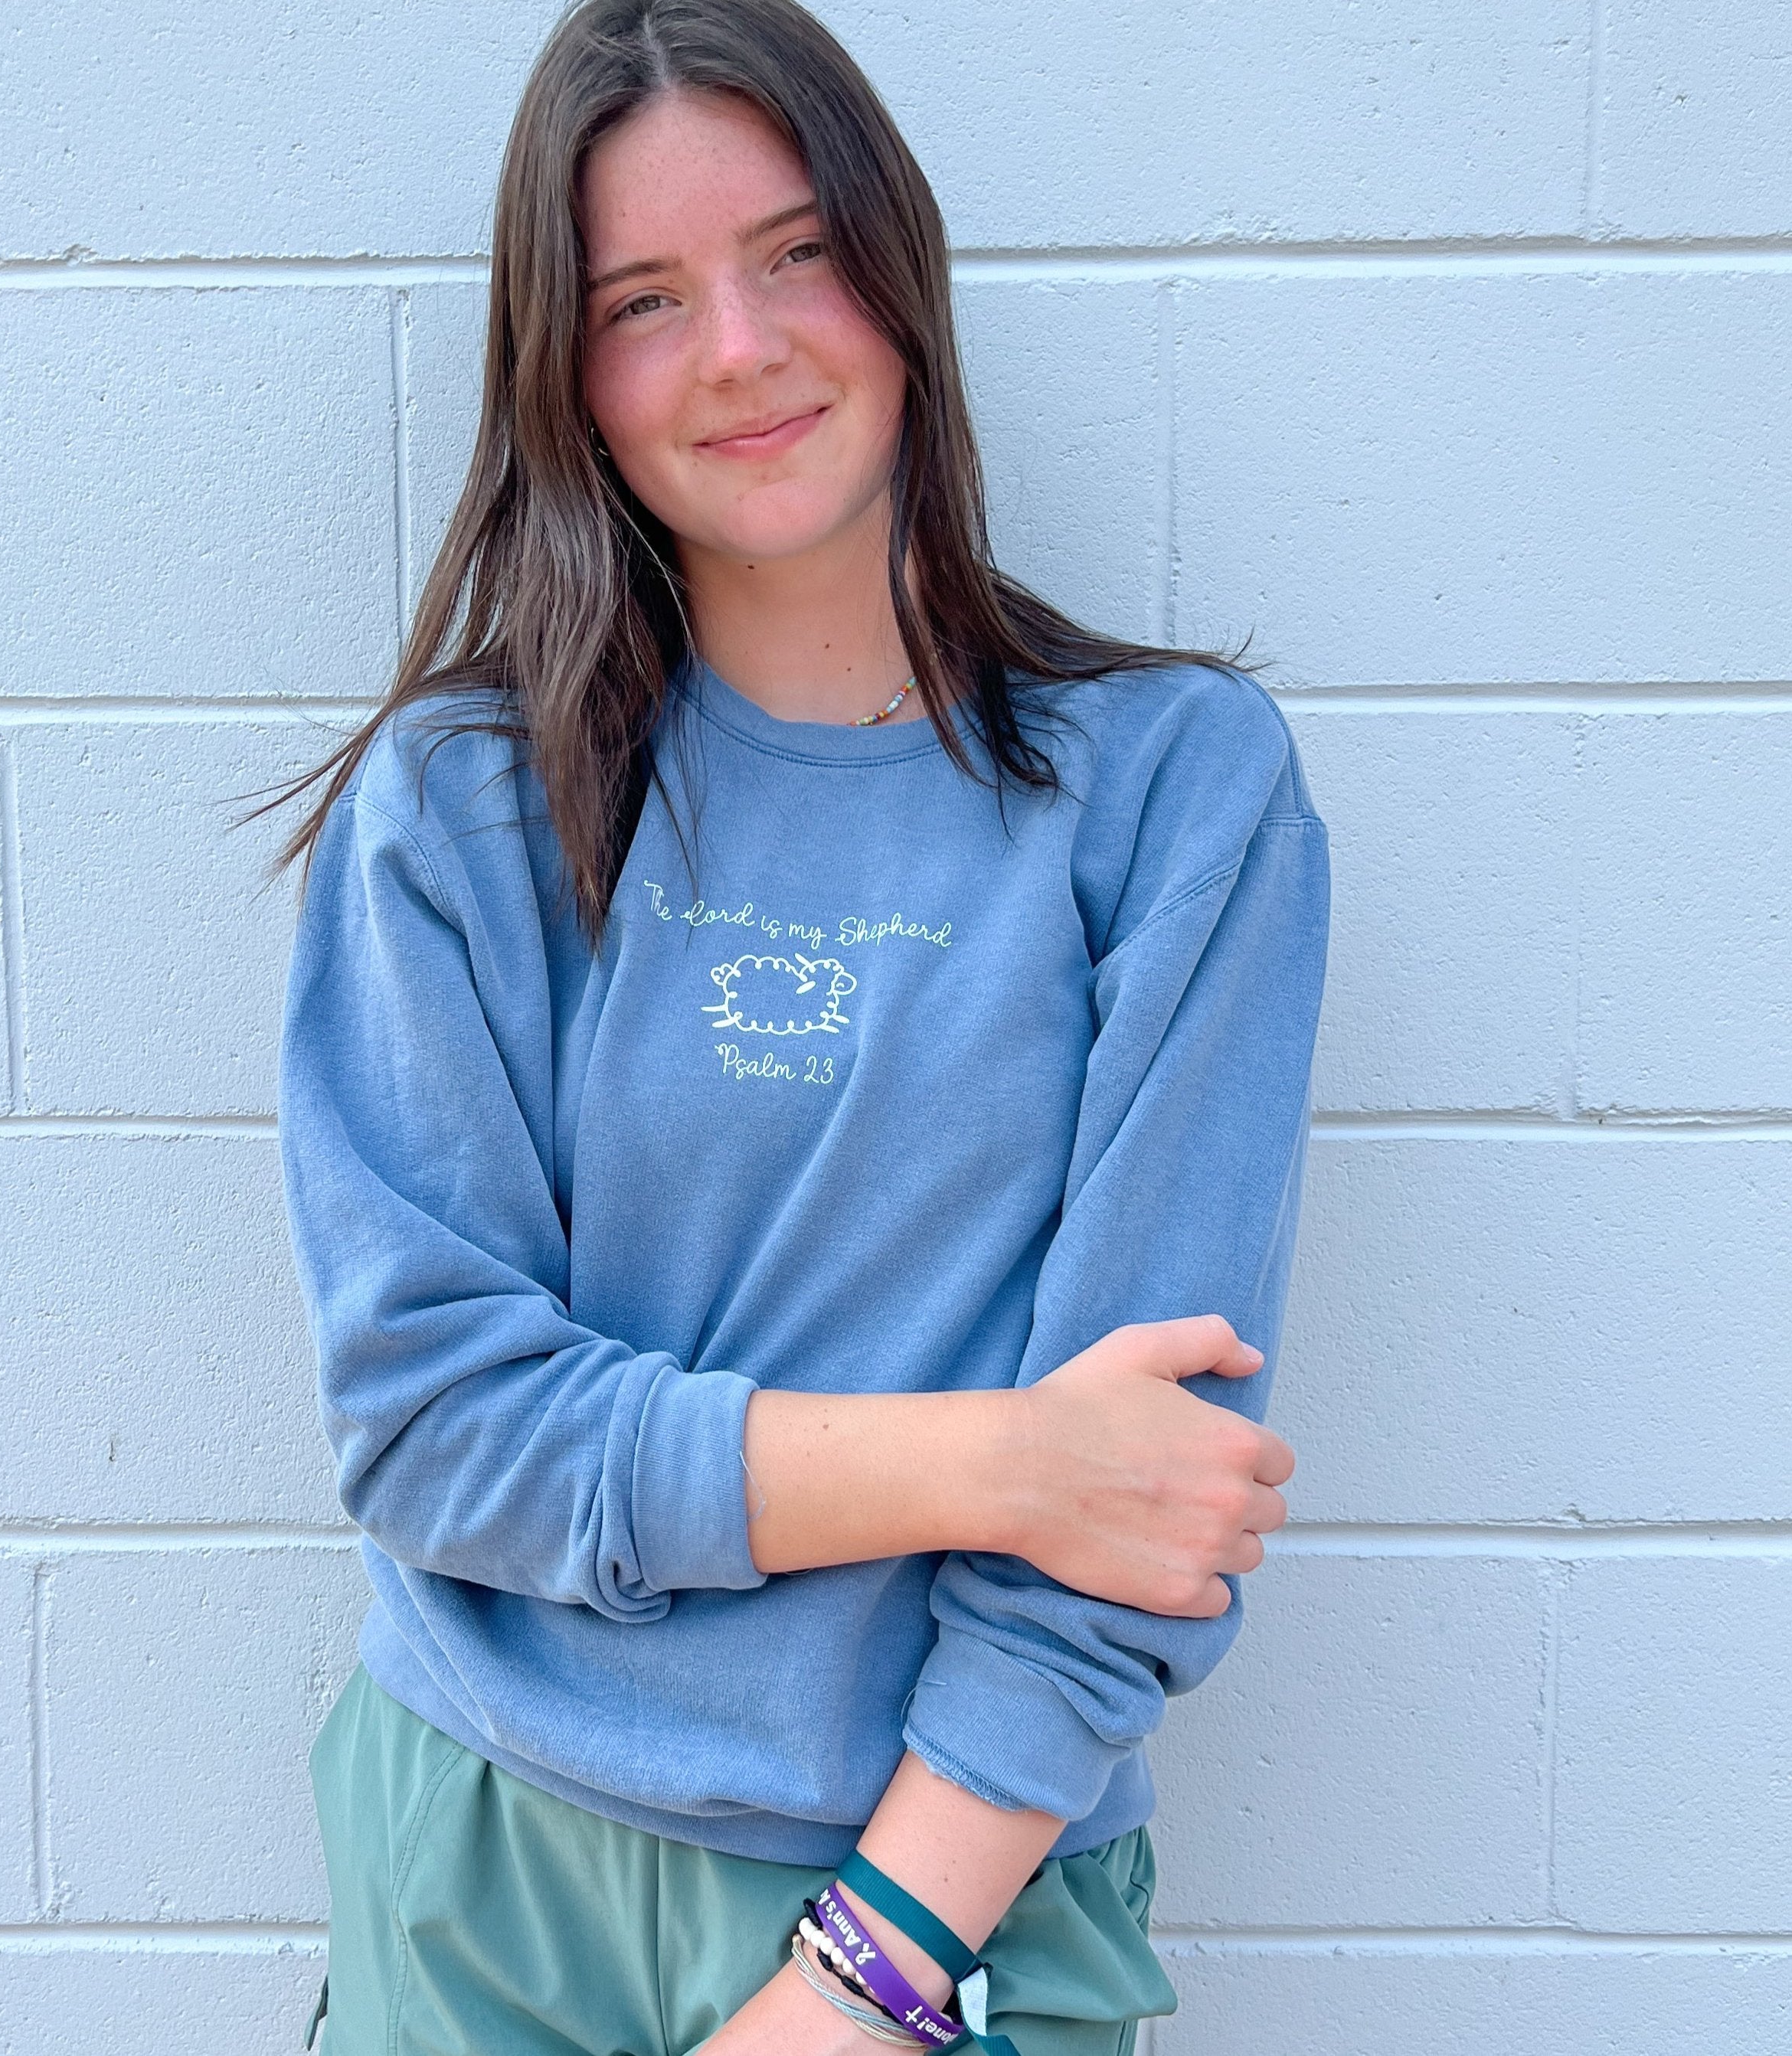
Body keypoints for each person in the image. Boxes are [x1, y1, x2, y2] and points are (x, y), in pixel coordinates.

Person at [265, 2, 1329, 2050]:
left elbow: (1147, 1500)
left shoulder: (1174, 794)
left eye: (796, 254)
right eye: (642, 302)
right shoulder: (460, 811)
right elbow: (432, 1427)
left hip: (954, 1895)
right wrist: (1001, 1460)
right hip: (482, 1868)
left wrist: (867, 1983)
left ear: (898, 268)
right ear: (566, 374)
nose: (739, 350)